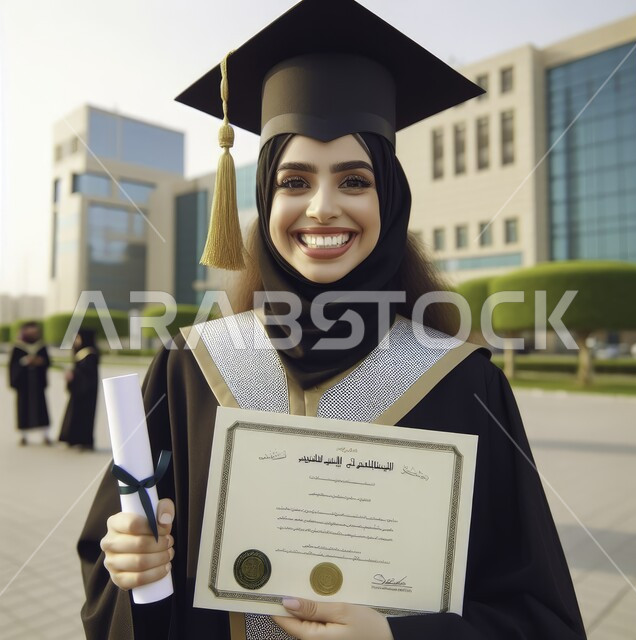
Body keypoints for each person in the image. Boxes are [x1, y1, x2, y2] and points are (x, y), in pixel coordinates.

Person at [78, 1, 587, 638]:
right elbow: (117, 584)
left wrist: (396, 637)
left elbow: (539, 619)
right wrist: (132, 566)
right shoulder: (188, 370)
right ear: (263, 202)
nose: (322, 208)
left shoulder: (465, 385)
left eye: (354, 180)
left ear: (391, 200)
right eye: (294, 181)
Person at [8, 321, 51, 446]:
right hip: (24, 384)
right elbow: (13, 366)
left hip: (37, 383)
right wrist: (25, 361)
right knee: (23, 409)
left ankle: (45, 435)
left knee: (41, 408)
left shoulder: (41, 346)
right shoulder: (18, 347)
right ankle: (23, 436)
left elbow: (47, 362)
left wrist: (40, 362)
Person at [59, 328, 99, 450]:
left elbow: (87, 374)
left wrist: (73, 375)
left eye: (77, 338)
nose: (75, 341)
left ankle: (83, 440)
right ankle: (73, 439)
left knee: (83, 416)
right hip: (79, 390)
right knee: (74, 414)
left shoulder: (90, 354)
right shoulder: (82, 353)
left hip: (86, 393)